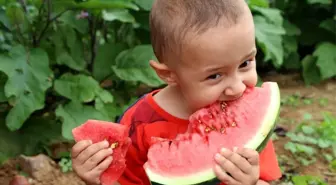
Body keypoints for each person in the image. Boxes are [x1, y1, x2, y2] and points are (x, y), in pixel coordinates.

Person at [70, 0, 282, 184]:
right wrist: (97, 178)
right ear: (168, 75)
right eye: (215, 76)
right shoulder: (139, 124)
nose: (237, 88)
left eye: (245, 63)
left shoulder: (244, 119)